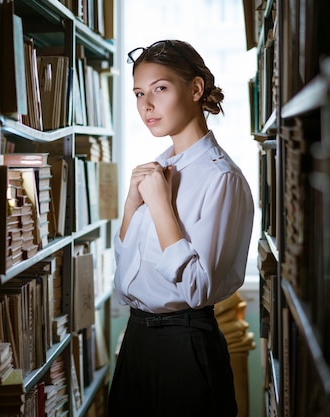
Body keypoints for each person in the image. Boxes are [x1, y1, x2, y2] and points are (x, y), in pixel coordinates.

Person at [107, 40, 254, 417]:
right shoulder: (157, 169)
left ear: (195, 89)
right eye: (139, 93)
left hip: (185, 348)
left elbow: (198, 288)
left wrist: (159, 206)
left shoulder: (221, 179)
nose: (146, 105)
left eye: (160, 88)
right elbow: (124, 283)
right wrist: (130, 207)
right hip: (137, 343)